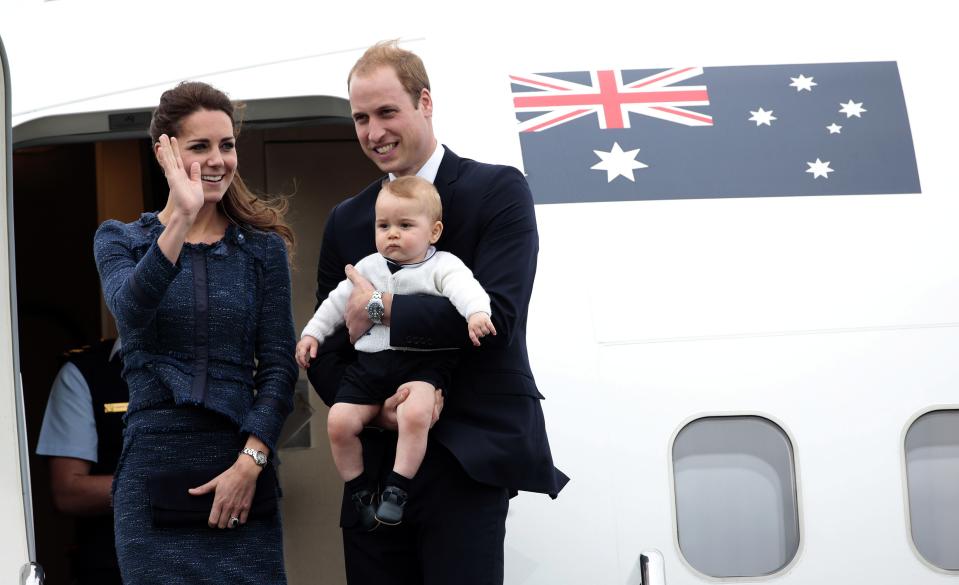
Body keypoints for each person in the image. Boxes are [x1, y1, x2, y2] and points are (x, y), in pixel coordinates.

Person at [307, 41, 569, 584]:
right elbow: (328, 350)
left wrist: (379, 308)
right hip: (373, 467)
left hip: (464, 458)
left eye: (386, 112)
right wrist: (377, 412)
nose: (373, 132)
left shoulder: (496, 191)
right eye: (360, 117)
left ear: (425, 102)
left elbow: (497, 321)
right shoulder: (347, 220)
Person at [93, 81, 297, 585]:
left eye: (226, 145)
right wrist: (181, 217)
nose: (218, 160)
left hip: (242, 473)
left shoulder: (261, 251)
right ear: (165, 153)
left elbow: (278, 365)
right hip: (152, 476)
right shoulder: (120, 239)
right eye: (200, 146)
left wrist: (250, 464)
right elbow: (131, 310)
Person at [296, 176, 496, 528]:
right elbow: (335, 304)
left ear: (433, 232)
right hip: (371, 366)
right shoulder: (368, 267)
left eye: (405, 226)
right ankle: (359, 489)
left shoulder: (442, 265)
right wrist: (312, 334)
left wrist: (477, 313)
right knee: (340, 421)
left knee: (416, 413)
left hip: (422, 364)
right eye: (383, 225)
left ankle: (397, 487)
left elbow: (466, 289)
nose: (392, 234)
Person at [36, 338, 127, 585]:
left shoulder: (219, 365)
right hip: (113, 568)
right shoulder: (86, 371)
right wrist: (159, 487)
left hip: (207, 558)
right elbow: (68, 492)